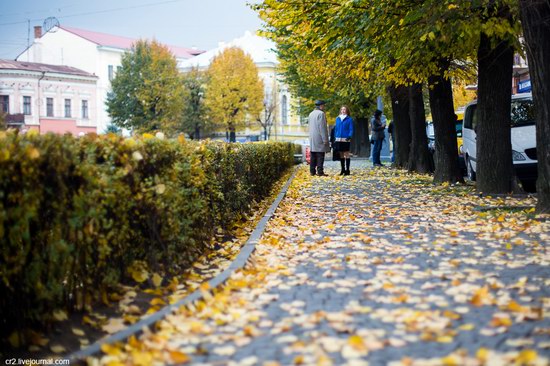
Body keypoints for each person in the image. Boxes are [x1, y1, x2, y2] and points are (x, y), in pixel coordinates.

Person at [308, 100, 330, 176]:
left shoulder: (311, 114)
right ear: (321, 106)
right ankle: (320, 171)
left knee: (313, 154)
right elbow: (322, 127)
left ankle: (312, 171)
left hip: (312, 137)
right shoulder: (321, 114)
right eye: (323, 105)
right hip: (319, 137)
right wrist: (325, 139)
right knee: (320, 155)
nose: (324, 107)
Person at [333, 105, 354, 175]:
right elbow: (336, 129)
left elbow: (351, 129)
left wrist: (349, 136)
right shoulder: (337, 118)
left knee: (346, 154)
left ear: (347, 111)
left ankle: (348, 170)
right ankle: (342, 170)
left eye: (344, 109)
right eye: (342, 109)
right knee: (341, 154)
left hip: (346, 138)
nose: (343, 111)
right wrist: (335, 136)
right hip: (338, 139)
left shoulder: (349, 119)